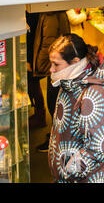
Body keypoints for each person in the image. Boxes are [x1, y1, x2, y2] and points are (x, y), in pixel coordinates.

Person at [47, 34, 104, 183]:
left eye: (56, 64)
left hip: (83, 179)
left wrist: (67, 171)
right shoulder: (67, 84)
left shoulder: (94, 94)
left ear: (75, 62)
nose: (51, 69)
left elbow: (99, 149)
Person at [32, 11, 71, 151]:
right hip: (58, 65)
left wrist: (40, 65)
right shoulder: (55, 13)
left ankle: (57, 142)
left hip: (55, 67)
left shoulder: (51, 15)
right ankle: (56, 138)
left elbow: (48, 43)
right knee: (56, 104)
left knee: (55, 104)